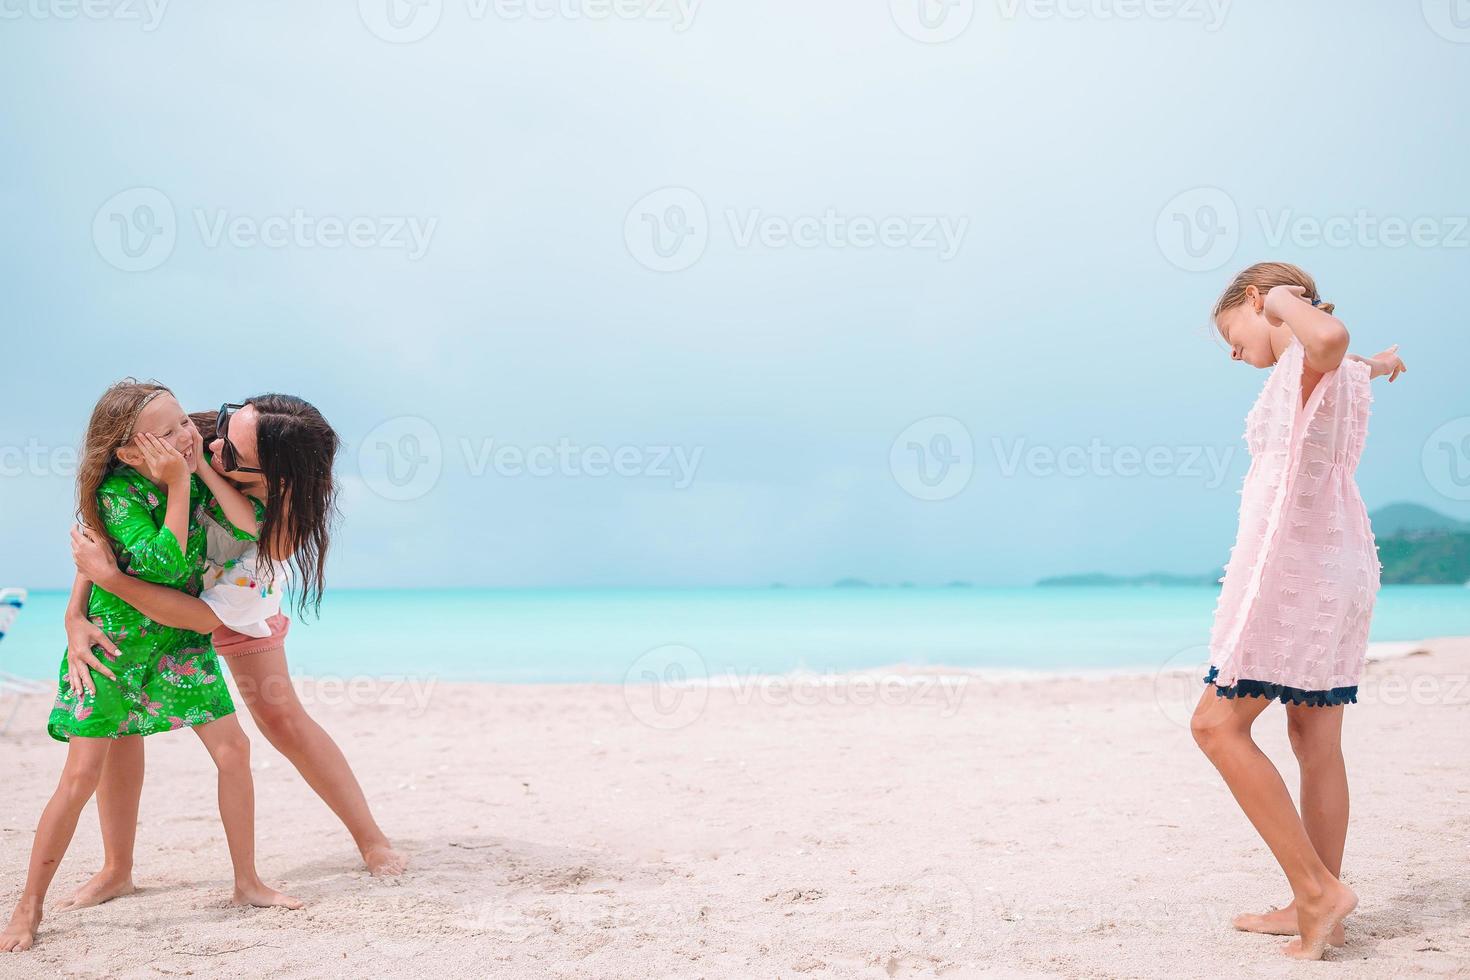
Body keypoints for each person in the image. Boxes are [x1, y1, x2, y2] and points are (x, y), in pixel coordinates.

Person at [1, 381, 301, 953]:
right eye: (166, 434)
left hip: (178, 644)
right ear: (128, 452)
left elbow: (244, 526)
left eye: (184, 423)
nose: (187, 436)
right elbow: (162, 564)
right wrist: (181, 484)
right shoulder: (118, 494)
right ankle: (29, 905)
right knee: (82, 776)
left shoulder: (189, 473)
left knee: (233, 751)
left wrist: (195, 474)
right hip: (112, 645)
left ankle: (247, 881)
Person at [1190, 262, 1407, 961]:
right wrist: (1385, 364)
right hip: (1338, 565)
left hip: (1295, 573)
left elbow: (1332, 337)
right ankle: (1318, 909)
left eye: (1233, 329)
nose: (1230, 350)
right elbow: (1352, 358)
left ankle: (1317, 892)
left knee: (1216, 726)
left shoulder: (1313, 356)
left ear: (1257, 302)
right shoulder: (1329, 372)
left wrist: (1284, 299)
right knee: (1316, 742)